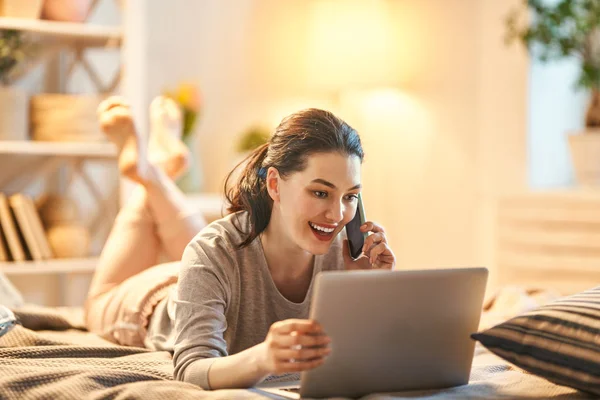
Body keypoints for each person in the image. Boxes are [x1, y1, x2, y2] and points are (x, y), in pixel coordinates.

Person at [84, 97, 396, 391]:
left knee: (214, 246)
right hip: (149, 300)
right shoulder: (213, 250)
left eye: (350, 196)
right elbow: (191, 369)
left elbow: (371, 358)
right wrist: (263, 358)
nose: (338, 214)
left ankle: (159, 167)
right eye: (320, 192)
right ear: (274, 184)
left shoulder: (347, 252)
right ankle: (152, 172)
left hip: (209, 275)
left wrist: (370, 288)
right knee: (96, 302)